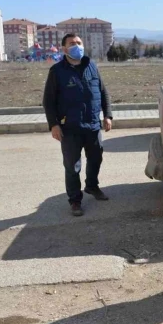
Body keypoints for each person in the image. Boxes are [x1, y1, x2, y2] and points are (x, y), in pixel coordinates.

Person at [42, 33, 113, 216]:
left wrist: (108, 115)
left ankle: (92, 186)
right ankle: (75, 200)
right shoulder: (57, 71)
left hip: (92, 125)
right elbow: (48, 101)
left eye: (79, 42)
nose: (77, 46)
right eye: (72, 43)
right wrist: (53, 124)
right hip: (70, 127)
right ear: (64, 49)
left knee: (96, 158)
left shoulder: (92, 66)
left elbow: (103, 92)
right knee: (73, 166)